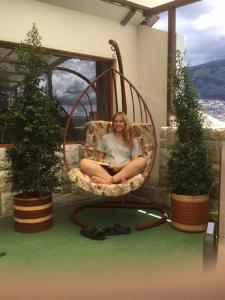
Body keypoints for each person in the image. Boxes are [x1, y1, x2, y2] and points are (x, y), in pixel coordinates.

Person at [80, 112, 146, 184]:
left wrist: (119, 167)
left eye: (121, 121)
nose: (118, 124)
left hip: (124, 171)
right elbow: (100, 158)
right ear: (113, 124)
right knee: (84, 162)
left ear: (125, 124)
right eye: (116, 121)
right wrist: (104, 163)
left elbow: (134, 161)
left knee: (142, 161)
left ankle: (109, 181)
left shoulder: (133, 140)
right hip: (106, 170)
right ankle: (113, 180)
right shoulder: (105, 138)